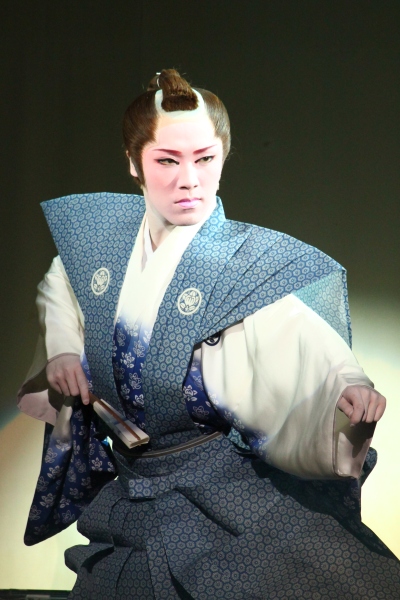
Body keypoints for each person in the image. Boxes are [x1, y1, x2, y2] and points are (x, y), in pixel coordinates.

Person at [18, 69, 400, 599]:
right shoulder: (100, 245)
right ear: (133, 162)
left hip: (220, 486)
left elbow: (301, 335)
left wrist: (346, 386)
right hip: (133, 486)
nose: (189, 179)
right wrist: (63, 350)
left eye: (205, 159)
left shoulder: (244, 266)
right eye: (167, 161)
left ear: (224, 156)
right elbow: (61, 283)